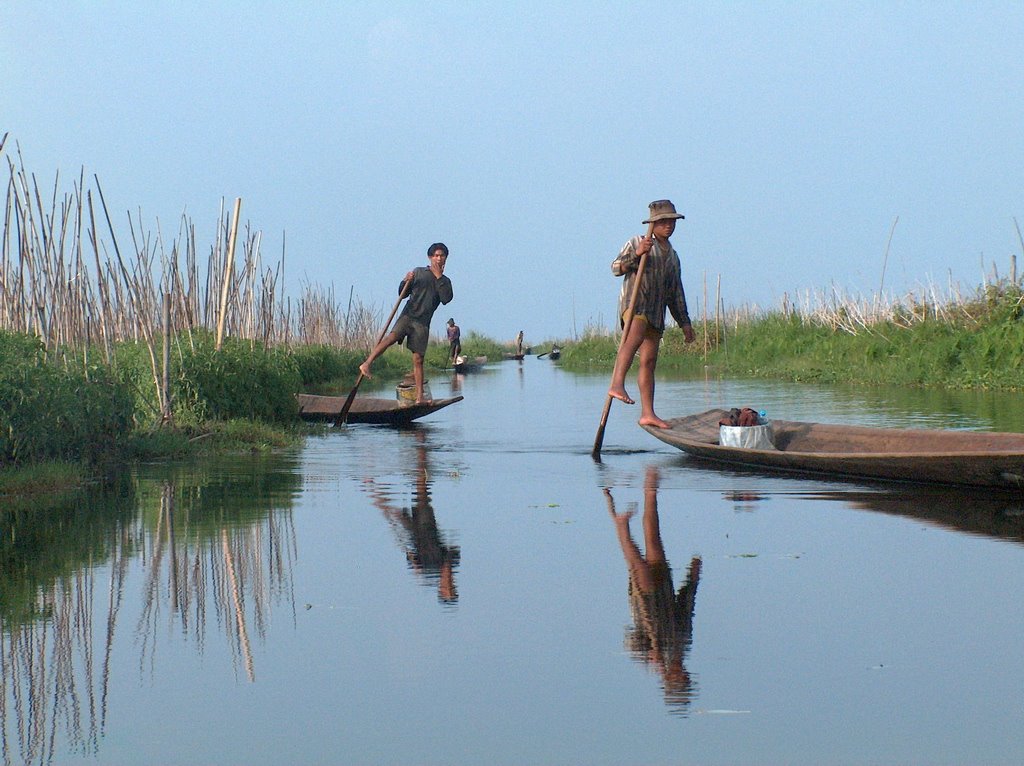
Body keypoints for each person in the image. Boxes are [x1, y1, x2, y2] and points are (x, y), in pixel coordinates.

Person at [606, 466, 701, 712]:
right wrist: (693, 578)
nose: (683, 675)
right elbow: (686, 611)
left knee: (636, 562)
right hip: (666, 594)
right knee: (654, 540)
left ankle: (621, 525)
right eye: (685, 679)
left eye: (680, 680)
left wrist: (650, 650)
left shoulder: (652, 663)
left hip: (647, 603)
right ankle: (650, 491)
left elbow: (632, 638)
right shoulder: (682, 646)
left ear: (670, 680)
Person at [608, 199, 696, 429]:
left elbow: (676, 292)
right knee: (633, 338)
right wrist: (637, 255)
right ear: (653, 224)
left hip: (657, 312)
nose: (668, 226)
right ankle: (617, 383)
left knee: (649, 360)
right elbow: (616, 268)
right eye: (663, 222)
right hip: (636, 303)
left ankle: (648, 413)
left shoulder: (673, 256)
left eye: (671, 222)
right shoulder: (638, 242)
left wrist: (684, 323)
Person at [359, 242, 453, 403]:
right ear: (430, 258)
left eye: (441, 256)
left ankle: (419, 397)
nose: (438, 258)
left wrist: (438, 278)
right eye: (436, 256)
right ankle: (367, 363)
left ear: (445, 259)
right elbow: (402, 294)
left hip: (422, 323)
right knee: (391, 338)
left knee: (418, 359)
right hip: (408, 316)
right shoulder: (418, 272)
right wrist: (405, 281)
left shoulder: (445, 281)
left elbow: (446, 299)